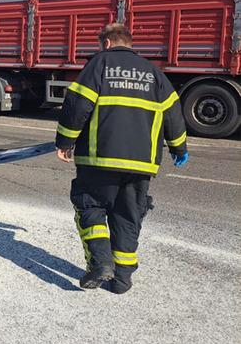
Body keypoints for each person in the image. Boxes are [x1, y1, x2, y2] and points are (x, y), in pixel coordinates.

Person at [55, 23, 188, 294]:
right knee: (128, 217)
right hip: (141, 164)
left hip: (98, 158)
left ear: (105, 43)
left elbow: (78, 106)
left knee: (90, 205)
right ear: (129, 42)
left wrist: (65, 141)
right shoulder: (154, 73)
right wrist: (179, 148)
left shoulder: (99, 66)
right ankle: (122, 280)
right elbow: (173, 113)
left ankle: (102, 262)